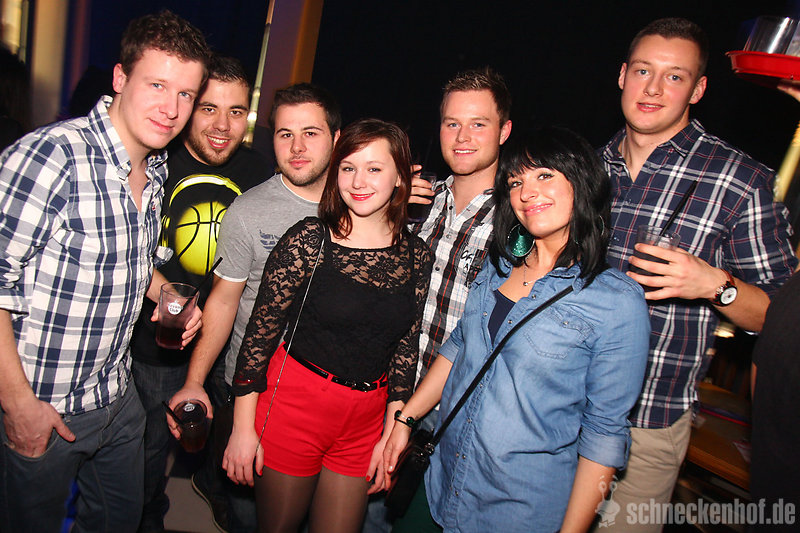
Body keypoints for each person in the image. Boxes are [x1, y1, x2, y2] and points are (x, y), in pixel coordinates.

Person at [0, 10, 208, 533]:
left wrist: (168, 294)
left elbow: (130, 262)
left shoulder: (155, 167)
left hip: (117, 396)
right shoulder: (52, 157)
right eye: (157, 85)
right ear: (120, 78)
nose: (171, 108)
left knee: (120, 521)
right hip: (45, 404)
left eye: (185, 93)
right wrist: (18, 405)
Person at [384, 126, 650, 532]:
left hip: (518, 510)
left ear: (582, 183)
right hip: (439, 485)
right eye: (515, 182)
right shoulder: (497, 266)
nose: (527, 193)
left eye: (544, 175)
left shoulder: (616, 301)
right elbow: (459, 346)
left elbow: (604, 435)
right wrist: (406, 421)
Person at [595, 18, 797, 531]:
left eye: (674, 76)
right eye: (643, 71)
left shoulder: (741, 181)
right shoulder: (586, 171)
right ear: (622, 75)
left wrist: (714, 286)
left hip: (647, 423)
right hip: (558, 405)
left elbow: (783, 320)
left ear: (699, 89)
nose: (653, 88)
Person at [223, 118, 432, 533]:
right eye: (348, 167)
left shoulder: (417, 256)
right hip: (295, 407)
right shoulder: (308, 239)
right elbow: (259, 338)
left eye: (374, 168)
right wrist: (242, 429)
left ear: (400, 177)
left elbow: (405, 350)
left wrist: (391, 433)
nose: (358, 181)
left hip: (365, 420)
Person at [168, 82, 341, 531]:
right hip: (254, 390)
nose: (297, 147)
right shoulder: (248, 211)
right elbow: (224, 301)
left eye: (311, 133)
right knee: (248, 515)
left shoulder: (360, 203)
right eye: (285, 134)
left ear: (336, 138)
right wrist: (194, 381)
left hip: (326, 393)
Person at [363, 66, 513, 533]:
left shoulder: (519, 219)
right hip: (388, 394)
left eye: (478, 123)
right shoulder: (418, 200)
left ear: (504, 130)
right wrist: (388, 209)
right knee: (363, 518)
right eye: (452, 123)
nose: (463, 137)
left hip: (457, 413)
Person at [129, 54, 271, 533]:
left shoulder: (259, 169)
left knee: (222, 432)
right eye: (209, 108)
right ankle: (148, 517)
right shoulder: (156, 161)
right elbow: (125, 249)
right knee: (152, 445)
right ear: (188, 107)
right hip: (162, 339)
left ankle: (211, 486)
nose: (223, 126)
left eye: (237, 111)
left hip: (228, 338)